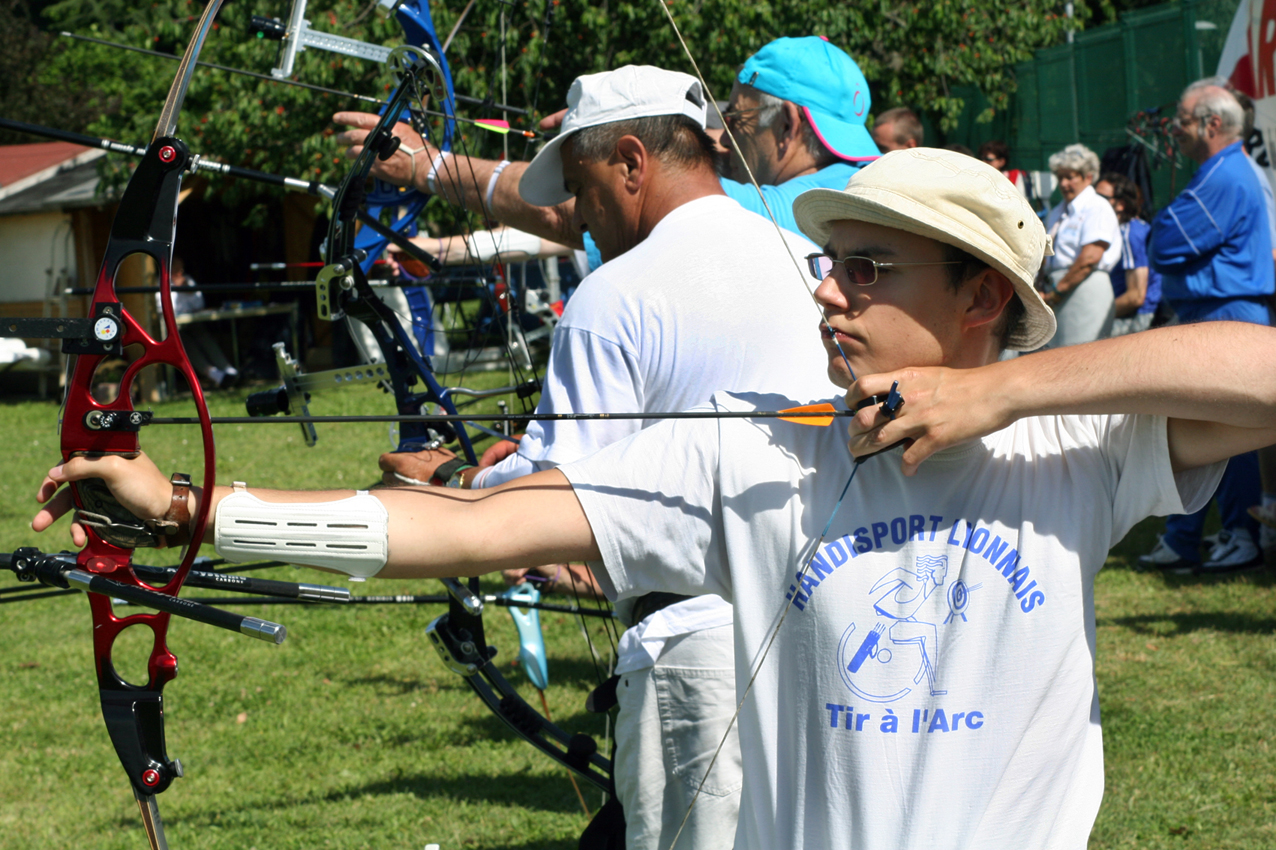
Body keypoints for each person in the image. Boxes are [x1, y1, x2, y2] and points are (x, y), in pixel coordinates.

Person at [41, 148, 1276, 849]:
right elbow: (470, 526)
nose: (828, 297)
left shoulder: (1075, 445)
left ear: (980, 300)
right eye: (829, 267)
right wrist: (190, 510)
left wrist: (1003, 399)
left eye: (869, 270)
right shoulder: (756, 455)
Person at [397, 65, 840, 850]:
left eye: (582, 186)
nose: (581, 217)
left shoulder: (616, 294)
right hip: (830, 631)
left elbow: (550, 506)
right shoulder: (813, 258)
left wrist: (456, 481)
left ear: (632, 162)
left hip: (698, 656)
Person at [334, 36, 879, 250]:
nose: (727, 127)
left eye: (736, 113)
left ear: (787, 128)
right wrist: (615, 129)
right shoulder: (868, 182)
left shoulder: (796, 209)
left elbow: (576, 214)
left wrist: (431, 166)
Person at [1141, 80, 1274, 572]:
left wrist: (1162, 232)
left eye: (1181, 119)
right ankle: (1190, 536)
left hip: (1227, 316)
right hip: (1215, 314)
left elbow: (1165, 242)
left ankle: (1238, 535)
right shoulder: (1220, 171)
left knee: (1229, 436)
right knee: (1197, 428)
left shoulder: (1227, 175)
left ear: (1211, 124)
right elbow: (1168, 239)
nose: (1174, 130)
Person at [1039, 143, 1121, 346]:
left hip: (1084, 290)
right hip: (1055, 291)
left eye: (1070, 177)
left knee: (1079, 360)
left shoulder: (1097, 206)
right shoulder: (1058, 211)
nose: (1064, 183)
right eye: (1060, 177)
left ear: (1089, 177)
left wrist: (1056, 293)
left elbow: (1090, 258)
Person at [1094, 172, 1161, 335]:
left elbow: (1135, 296)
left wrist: (1093, 316)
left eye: (1101, 197)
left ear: (1120, 204)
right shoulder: (1121, 230)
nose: (1093, 202)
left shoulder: (1129, 234)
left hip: (1136, 320)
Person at [162, 256, 239, 389]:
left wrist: (188, 290)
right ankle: (215, 375)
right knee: (184, 342)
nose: (180, 273)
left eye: (181, 269)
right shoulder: (161, 283)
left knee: (203, 336)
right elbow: (164, 309)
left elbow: (200, 303)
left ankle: (229, 371)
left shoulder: (188, 280)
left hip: (192, 321)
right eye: (176, 269)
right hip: (174, 326)